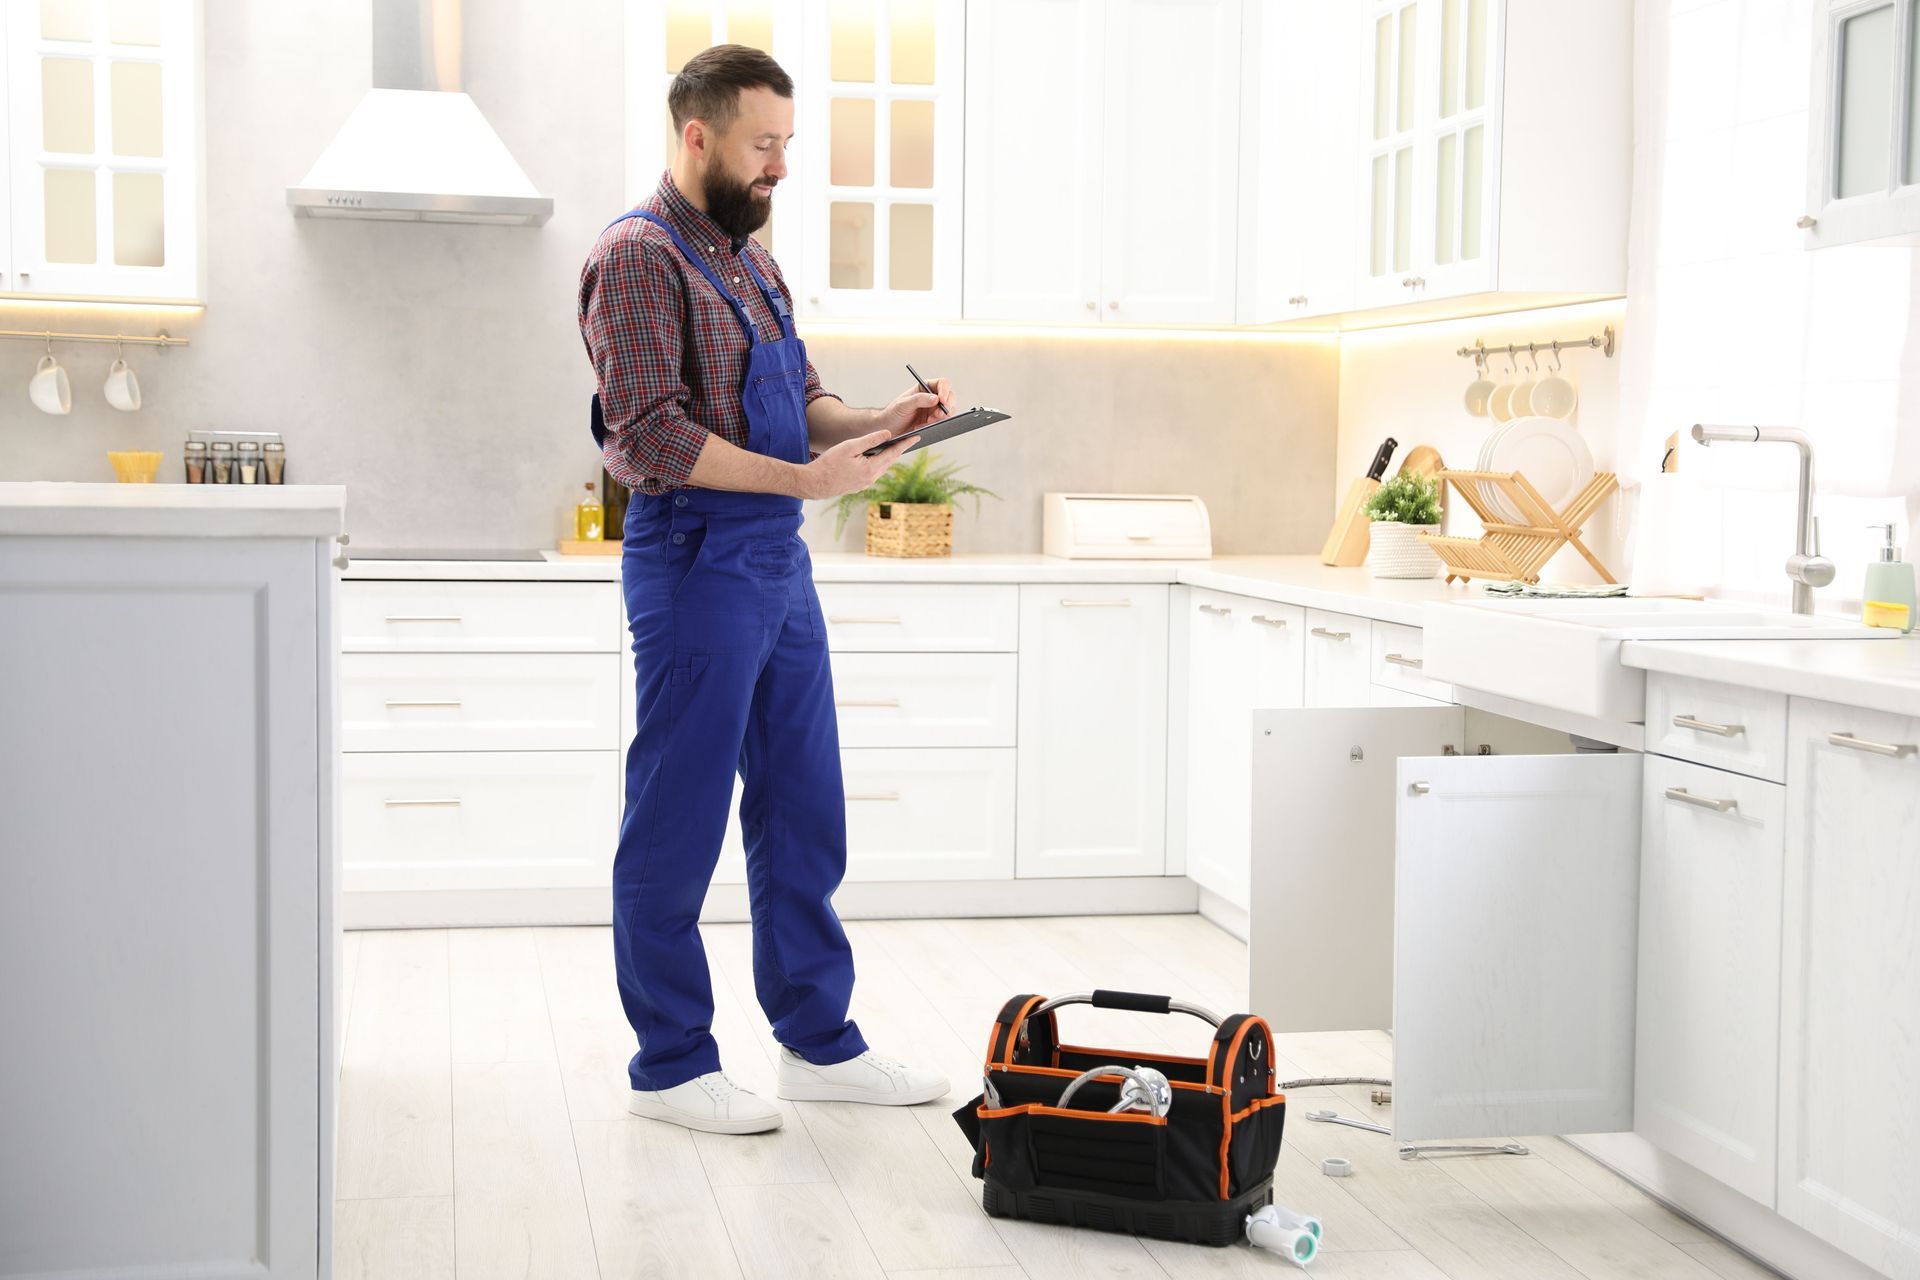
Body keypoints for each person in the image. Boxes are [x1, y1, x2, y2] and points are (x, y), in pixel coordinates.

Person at [577, 43, 952, 1135]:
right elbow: (649, 434)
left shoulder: (753, 259)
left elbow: (807, 399)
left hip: (775, 558)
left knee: (801, 799)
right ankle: (673, 1060)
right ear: (697, 137)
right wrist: (804, 477)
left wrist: (880, 423)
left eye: (786, 143)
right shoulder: (638, 257)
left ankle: (817, 1040)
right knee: (680, 808)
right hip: (695, 552)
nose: (780, 165)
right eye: (763, 144)